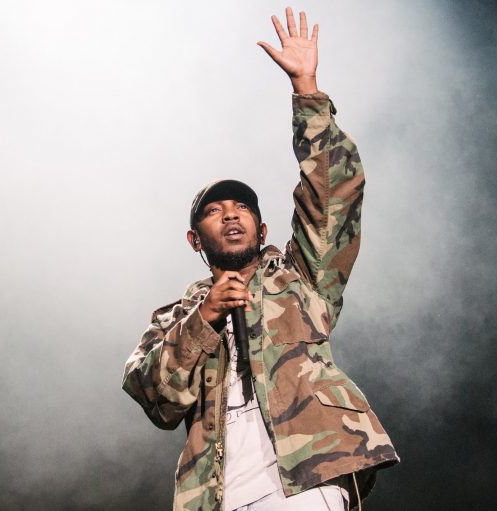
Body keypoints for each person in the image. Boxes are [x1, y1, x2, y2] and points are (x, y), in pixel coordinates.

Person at [122, 8, 399, 511]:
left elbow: (334, 196)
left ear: (262, 229)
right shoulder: (174, 319)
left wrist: (306, 90)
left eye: (242, 207)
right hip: (218, 493)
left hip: (308, 477)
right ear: (194, 239)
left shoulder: (301, 277)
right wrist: (205, 317)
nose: (230, 214)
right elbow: (154, 397)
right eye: (214, 211)